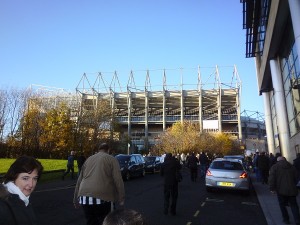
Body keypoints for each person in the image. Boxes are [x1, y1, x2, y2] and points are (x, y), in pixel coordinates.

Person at [73, 143, 125, 225]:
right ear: (108, 150)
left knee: (90, 221)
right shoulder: (111, 159)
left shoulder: (89, 159)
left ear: (99, 150)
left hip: (84, 197)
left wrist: (75, 199)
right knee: (106, 221)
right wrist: (121, 197)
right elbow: (118, 180)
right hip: (103, 197)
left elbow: (80, 180)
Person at [0, 155, 43, 225]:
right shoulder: (3, 207)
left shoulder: (22, 199)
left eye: (35, 178)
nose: (31, 184)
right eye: (25, 178)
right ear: (13, 177)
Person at [269, 156, 300, 225]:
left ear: (278, 161)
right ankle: (297, 220)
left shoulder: (275, 167)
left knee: (282, 205)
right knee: (294, 205)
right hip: (292, 189)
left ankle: (286, 219)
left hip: (280, 190)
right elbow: (297, 177)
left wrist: (272, 188)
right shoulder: (292, 167)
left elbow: (271, 179)